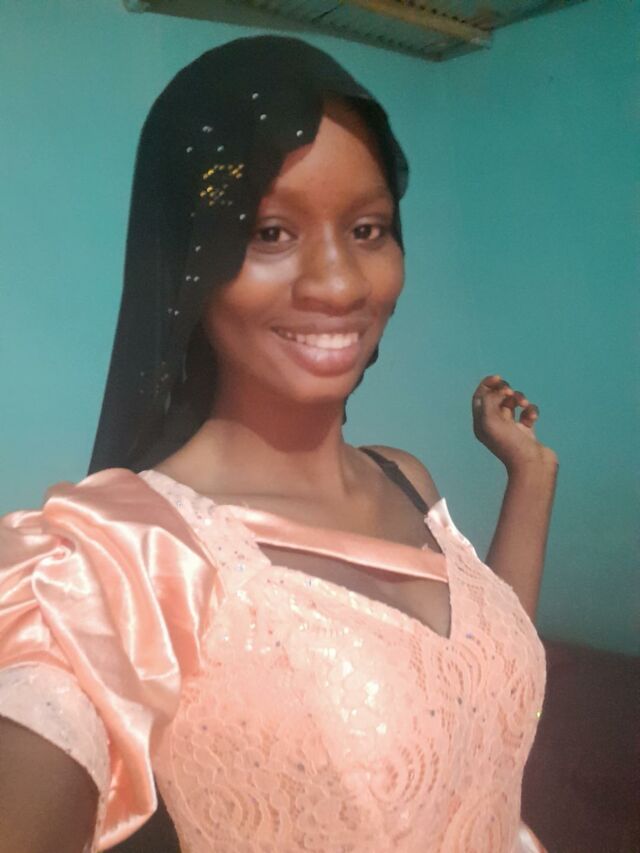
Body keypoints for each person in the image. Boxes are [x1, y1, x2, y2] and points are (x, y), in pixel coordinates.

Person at [0, 35, 558, 853]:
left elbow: (479, 692)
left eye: (367, 228)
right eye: (268, 232)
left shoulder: (404, 478)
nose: (338, 283)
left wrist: (531, 477)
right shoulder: (123, 558)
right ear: (189, 261)